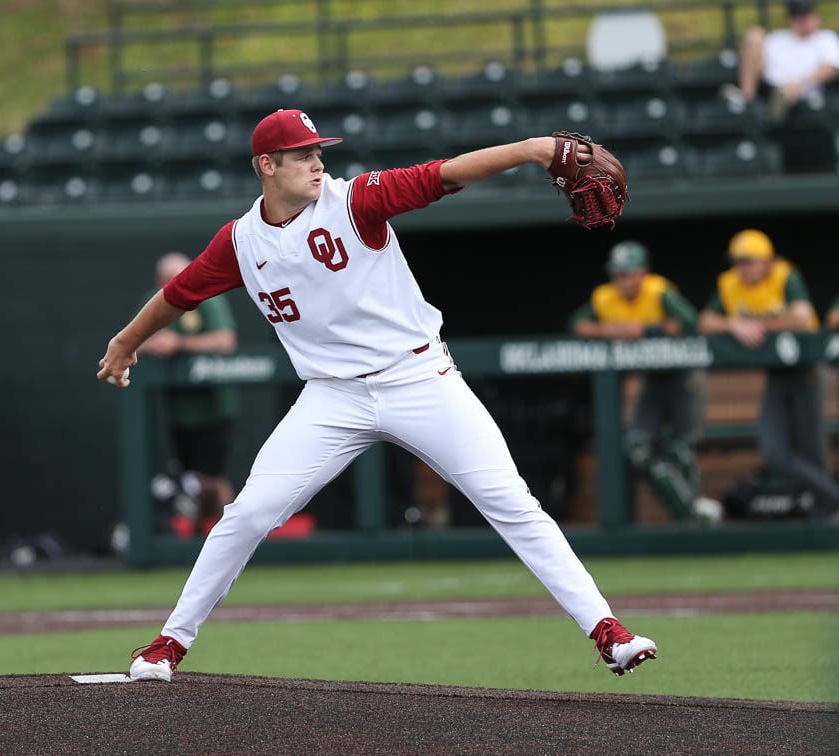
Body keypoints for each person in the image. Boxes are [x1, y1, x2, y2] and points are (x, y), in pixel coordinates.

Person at [98, 109, 657, 682]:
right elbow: (180, 293)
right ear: (266, 165)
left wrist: (535, 147)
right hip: (331, 398)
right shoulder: (240, 241)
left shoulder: (356, 200)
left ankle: (607, 631)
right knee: (246, 514)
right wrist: (125, 342)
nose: (318, 163)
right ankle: (170, 641)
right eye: (302, 155)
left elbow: (446, 174)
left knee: (511, 502)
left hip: (418, 379)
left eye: (319, 152)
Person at [568, 240, 720, 523]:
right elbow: (578, 325)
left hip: (681, 375)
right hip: (650, 380)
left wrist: (646, 329)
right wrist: (611, 330)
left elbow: (686, 323)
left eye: (628, 273)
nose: (622, 280)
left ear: (643, 272)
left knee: (680, 447)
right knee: (638, 447)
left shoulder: (659, 290)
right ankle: (689, 512)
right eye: (618, 274)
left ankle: (694, 511)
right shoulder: (605, 296)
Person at [697, 228, 839, 513]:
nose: (742, 268)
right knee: (774, 453)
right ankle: (834, 499)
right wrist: (735, 325)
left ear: (766, 261)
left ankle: (825, 517)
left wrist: (760, 325)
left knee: (813, 450)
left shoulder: (785, 275)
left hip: (807, 371)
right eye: (738, 261)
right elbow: (705, 321)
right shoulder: (730, 283)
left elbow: (801, 318)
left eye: (748, 261)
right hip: (776, 374)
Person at [137, 251, 239, 538]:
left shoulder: (208, 298)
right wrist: (156, 344)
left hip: (213, 407)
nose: (176, 285)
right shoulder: (153, 303)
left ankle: (230, 537)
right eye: (168, 280)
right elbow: (131, 341)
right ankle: (197, 537)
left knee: (211, 479)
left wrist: (180, 343)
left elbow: (225, 341)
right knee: (188, 480)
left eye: (180, 278)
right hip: (178, 410)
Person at [724, 0, 839, 122]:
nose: (804, 22)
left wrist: (800, 85)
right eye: (799, 18)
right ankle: (746, 99)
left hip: (804, 92)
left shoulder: (826, 39)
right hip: (768, 87)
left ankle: (769, 114)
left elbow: (828, 69)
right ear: (791, 20)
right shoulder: (778, 39)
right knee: (755, 35)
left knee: (785, 93)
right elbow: (757, 62)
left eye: (807, 17)